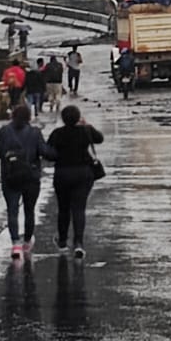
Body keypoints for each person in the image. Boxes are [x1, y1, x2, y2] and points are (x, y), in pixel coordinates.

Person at [0, 102, 52, 257]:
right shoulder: (35, 132)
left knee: (12, 210)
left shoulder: (4, 131)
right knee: (29, 210)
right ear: (29, 117)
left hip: (10, 177)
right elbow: (44, 151)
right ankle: (27, 241)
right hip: (31, 177)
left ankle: (15, 244)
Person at [47, 104, 104, 259]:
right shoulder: (86, 131)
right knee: (79, 209)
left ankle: (63, 241)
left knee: (63, 208)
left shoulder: (58, 133)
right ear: (78, 117)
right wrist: (86, 124)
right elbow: (99, 138)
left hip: (63, 173)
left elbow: (48, 152)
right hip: (83, 173)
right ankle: (78, 243)